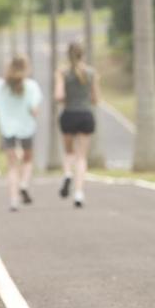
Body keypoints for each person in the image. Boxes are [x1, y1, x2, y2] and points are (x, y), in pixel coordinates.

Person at [0, 55, 42, 212]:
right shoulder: (31, 86)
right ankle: (24, 184)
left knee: (12, 166)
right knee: (28, 160)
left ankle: (13, 200)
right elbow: (34, 110)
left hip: (7, 129)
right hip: (26, 129)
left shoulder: (0, 86)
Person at [55, 41, 100, 208]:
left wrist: (68, 96)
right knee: (81, 157)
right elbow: (95, 99)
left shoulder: (62, 72)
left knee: (69, 152)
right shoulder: (91, 73)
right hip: (85, 115)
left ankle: (67, 173)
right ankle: (79, 193)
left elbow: (58, 96)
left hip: (68, 115)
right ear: (83, 54)